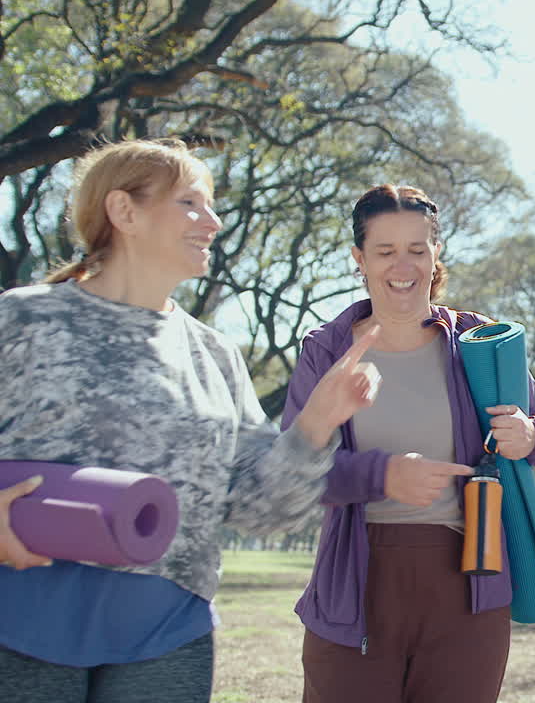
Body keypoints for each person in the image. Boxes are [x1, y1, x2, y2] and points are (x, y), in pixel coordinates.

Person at [0, 139, 380, 703]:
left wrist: (315, 427)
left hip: (167, 632)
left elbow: (256, 509)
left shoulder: (217, 355)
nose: (214, 220)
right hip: (22, 621)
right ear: (124, 212)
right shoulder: (21, 319)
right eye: (190, 203)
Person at [283, 184, 535, 703]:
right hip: (357, 584)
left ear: (437, 255)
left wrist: (529, 435)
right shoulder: (326, 349)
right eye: (385, 251)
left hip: (469, 584)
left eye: (417, 248)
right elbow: (294, 466)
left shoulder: (481, 342)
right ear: (358, 260)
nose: (402, 265)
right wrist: (382, 475)